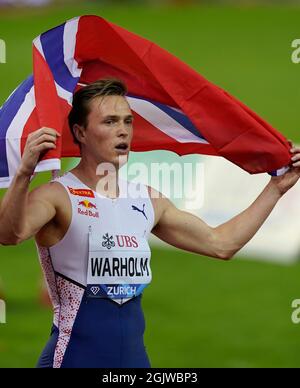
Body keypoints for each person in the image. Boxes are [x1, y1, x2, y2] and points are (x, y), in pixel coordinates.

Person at [0, 78, 299, 368]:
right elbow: (9, 234)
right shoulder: (58, 196)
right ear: (80, 132)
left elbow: (221, 244)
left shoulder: (147, 199)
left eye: (127, 121)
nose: (123, 132)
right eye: (110, 122)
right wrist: (24, 174)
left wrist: (275, 189)